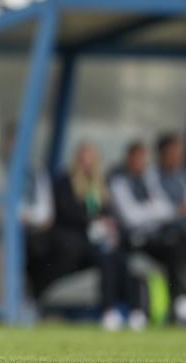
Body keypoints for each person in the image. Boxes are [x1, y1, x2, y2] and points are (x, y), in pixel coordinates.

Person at [52, 142, 144, 331]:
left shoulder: (99, 184)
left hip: (99, 239)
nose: (87, 163)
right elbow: (66, 212)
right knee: (106, 260)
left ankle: (135, 310)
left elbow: (105, 212)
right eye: (83, 158)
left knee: (121, 259)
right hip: (76, 241)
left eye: (90, 158)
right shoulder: (65, 182)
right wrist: (91, 222)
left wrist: (107, 223)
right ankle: (108, 310)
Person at [108, 140, 186, 323]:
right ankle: (124, 310)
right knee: (120, 261)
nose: (142, 164)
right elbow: (131, 217)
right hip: (128, 239)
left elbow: (165, 207)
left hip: (153, 238)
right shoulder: (119, 180)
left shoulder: (149, 180)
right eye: (138, 159)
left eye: (144, 160)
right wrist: (155, 209)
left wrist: (155, 210)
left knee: (179, 250)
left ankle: (182, 304)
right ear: (129, 159)